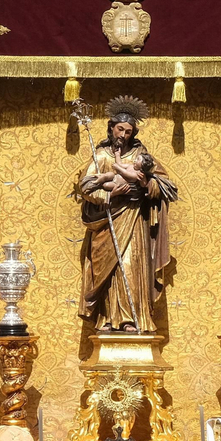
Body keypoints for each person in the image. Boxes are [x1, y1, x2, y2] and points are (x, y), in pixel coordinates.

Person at [71, 94, 178, 333]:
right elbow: (86, 187)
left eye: (128, 131)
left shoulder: (142, 157)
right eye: (120, 129)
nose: (123, 135)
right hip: (107, 224)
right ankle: (108, 319)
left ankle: (132, 320)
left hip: (134, 222)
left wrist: (143, 185)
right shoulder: (100, 156)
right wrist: (110, 195)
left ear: (134, 132)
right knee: (109, 271)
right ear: (111, 128)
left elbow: (165, 186)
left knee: (129, 267)